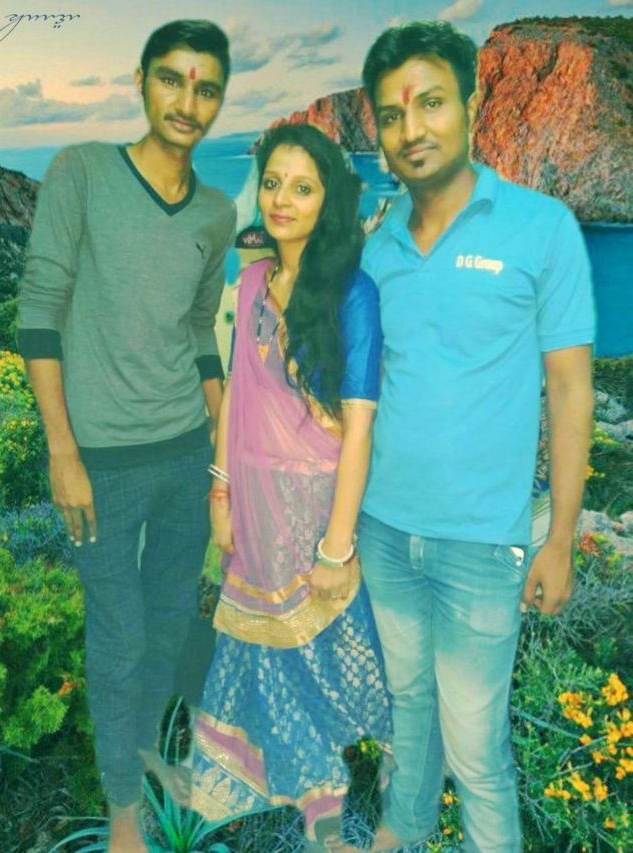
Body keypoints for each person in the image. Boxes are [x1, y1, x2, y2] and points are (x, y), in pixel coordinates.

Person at [333, 21, 596, 853]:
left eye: (432, 103)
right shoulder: (377, 249)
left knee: (478, 751)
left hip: (484, 543)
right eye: (391, 114)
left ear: (474, 106)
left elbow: (570, 387)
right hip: (385, 532)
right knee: (409, 715)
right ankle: (402, 834)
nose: (411, 129)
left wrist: (561, 534)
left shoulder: (541, 227)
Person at [16, 19, 235, 853]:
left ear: (219, 99)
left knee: (172, 620)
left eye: (206, 87)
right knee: (119, 638)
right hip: (99, 462)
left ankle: (142, 755)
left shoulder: (217, 211)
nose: (187, 101)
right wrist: (62, 451)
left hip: (186, 454)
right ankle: (122, 814)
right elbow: (40, 310)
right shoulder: (80, 171)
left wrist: (222, 431)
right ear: (140, 80)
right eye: (172, 79)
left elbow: (199, 328)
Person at [190, 124, 392, 852]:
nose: (281, 199)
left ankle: (377, 761)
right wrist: (220, 494)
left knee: (334, 647)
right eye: (272, 182)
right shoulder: (250, 283)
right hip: (254, 506)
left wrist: (337, 547)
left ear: (328, 200)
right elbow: (236, 398)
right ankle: (305, 790)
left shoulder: (353, 294)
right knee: (266, 651)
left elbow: (359, 429)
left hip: (317, 511)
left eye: (302, 187)